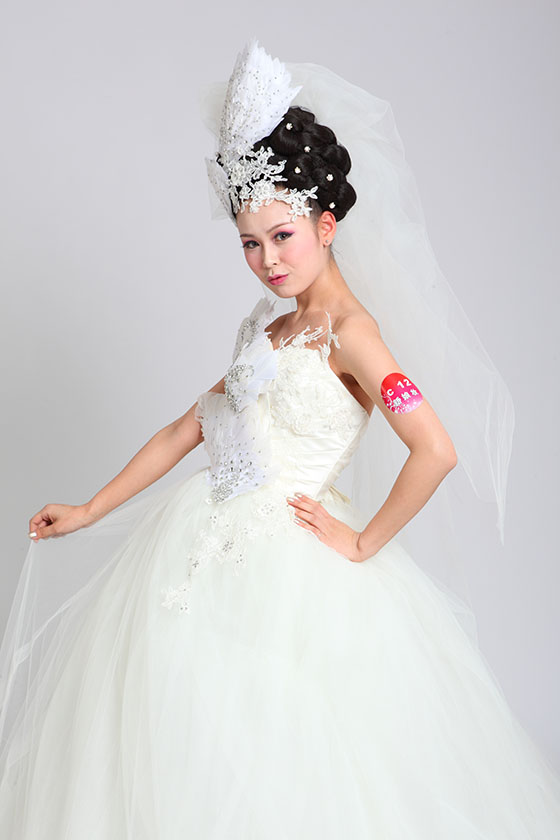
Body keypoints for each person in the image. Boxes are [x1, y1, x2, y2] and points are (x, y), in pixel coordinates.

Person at [1, 36, 559, 838]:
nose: (266, 260)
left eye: (283, 236)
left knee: (279, 755)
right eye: (249, 243)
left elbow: (435, 448)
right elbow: (188, 427)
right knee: (185, 747)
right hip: (198, 547)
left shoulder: (353, 334)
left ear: (326, 225)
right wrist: (90, 509)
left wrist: (362, 543)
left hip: (287, 572)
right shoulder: (271, 327)